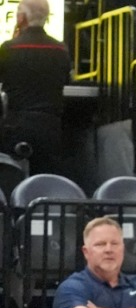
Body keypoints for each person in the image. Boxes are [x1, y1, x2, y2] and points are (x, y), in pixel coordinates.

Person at [0, 0, 71, 176]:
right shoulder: (60, 49)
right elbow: (65, 79)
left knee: (12, 175)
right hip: (50, 126)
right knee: (46, 178)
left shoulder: (9, 48)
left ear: (22, 17)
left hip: (17, 124)